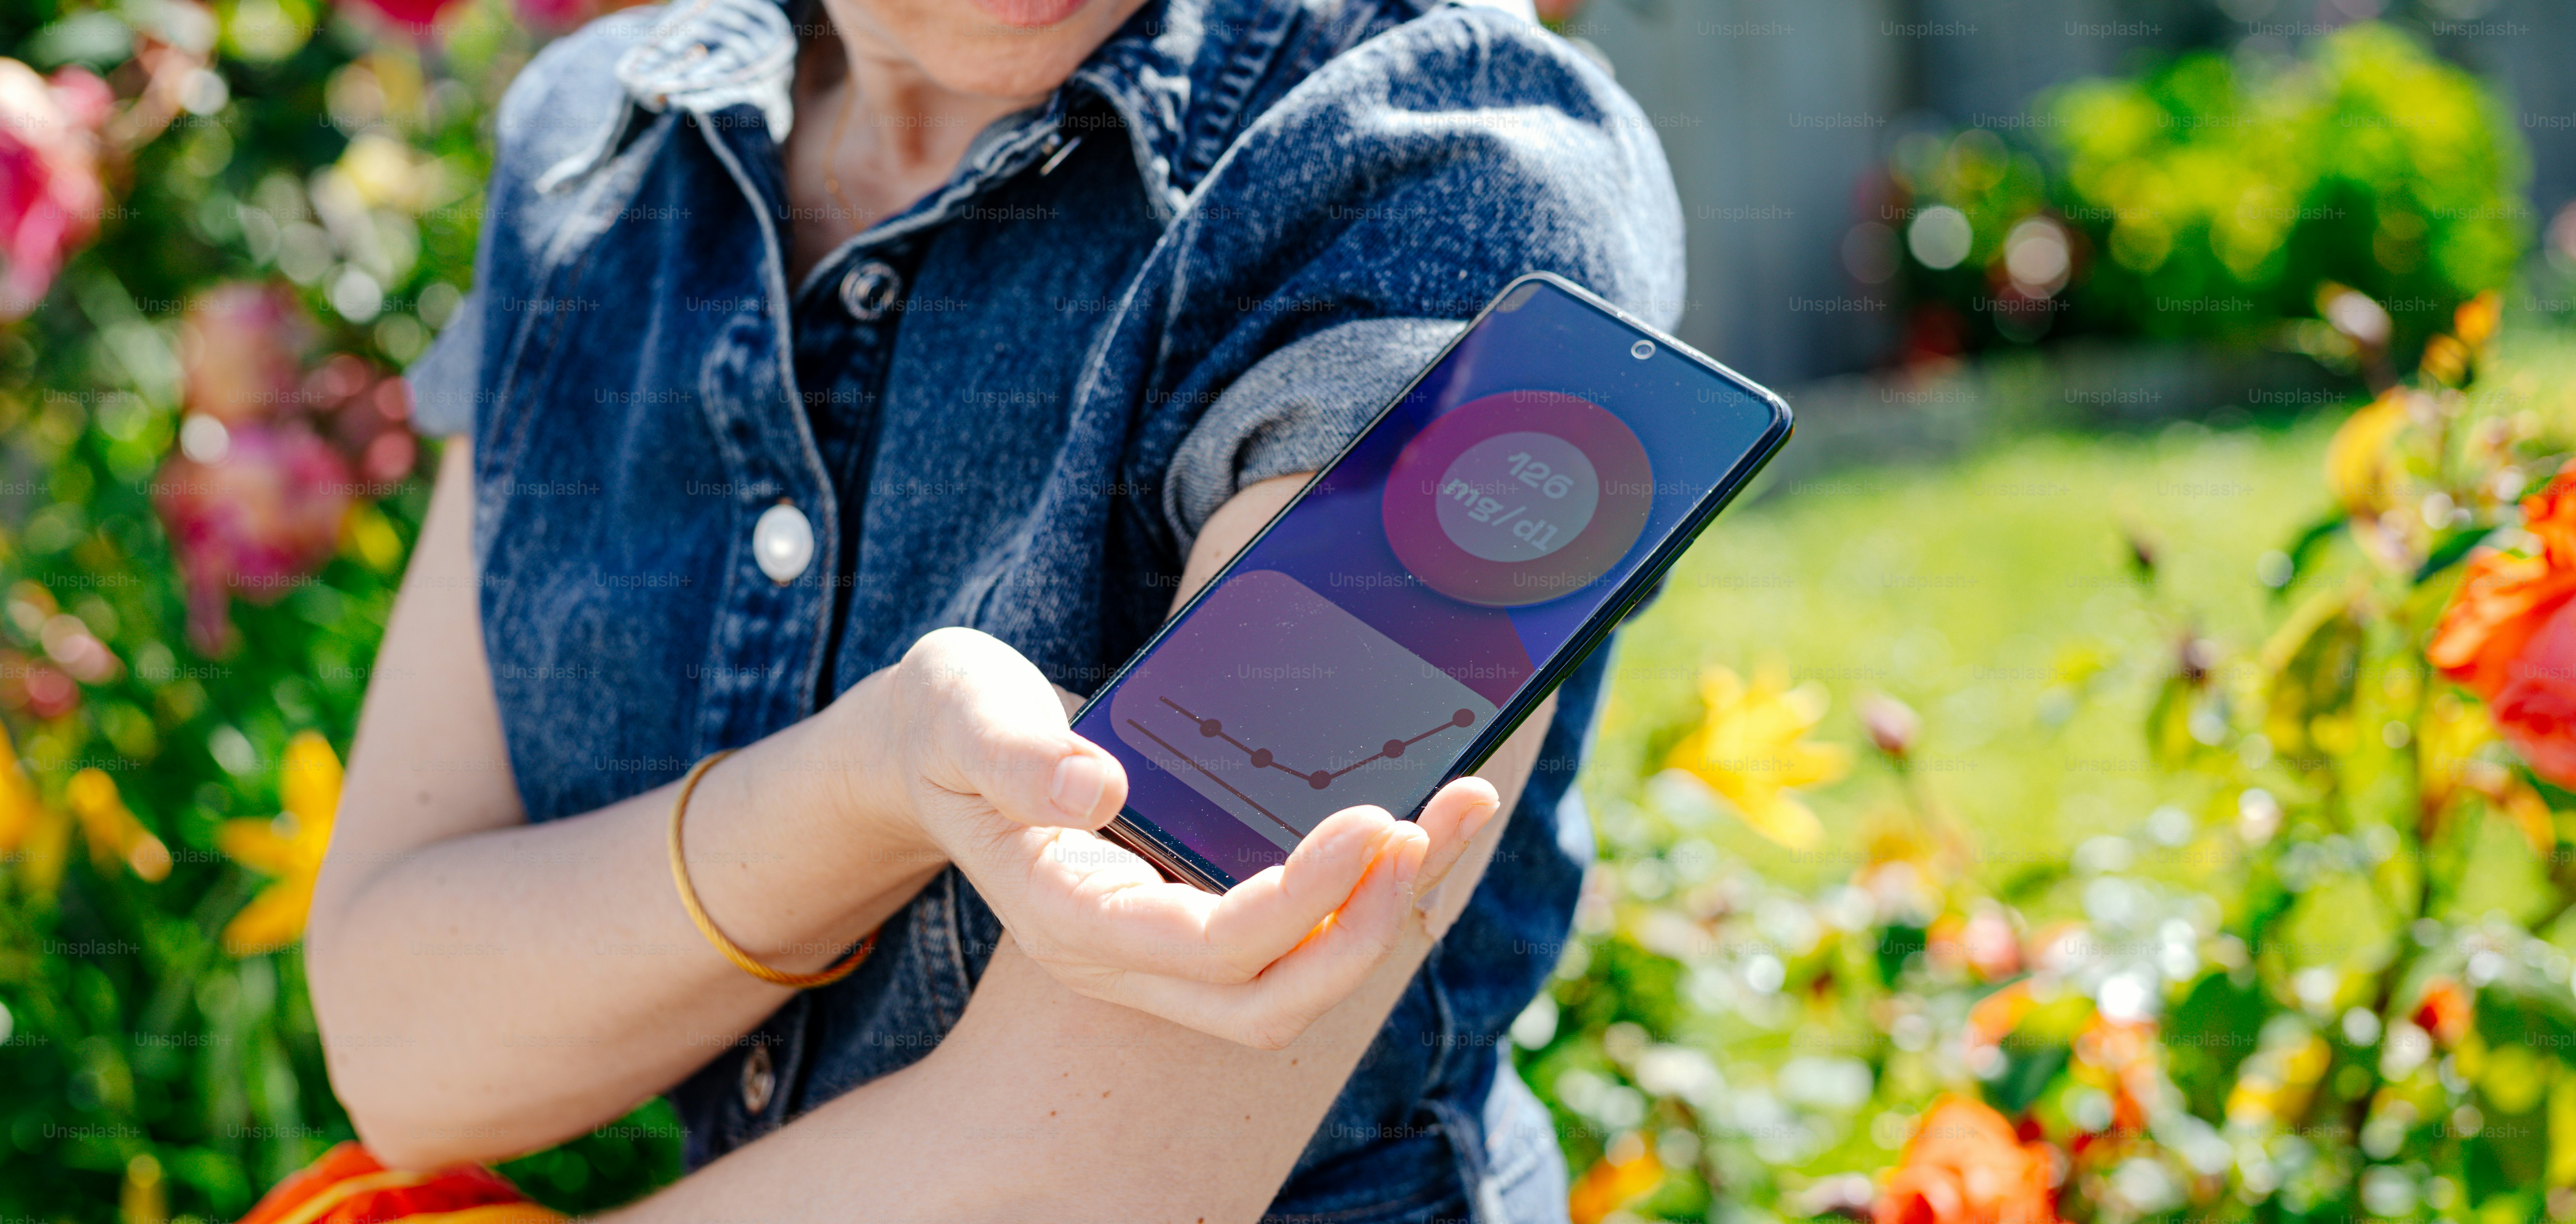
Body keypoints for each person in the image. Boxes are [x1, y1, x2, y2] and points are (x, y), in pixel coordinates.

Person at [308, 0, 1682, 1218]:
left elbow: (1088, 1175)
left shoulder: (1457, 171)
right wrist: (870, 779)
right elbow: (408, 1049)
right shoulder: (608, 138)